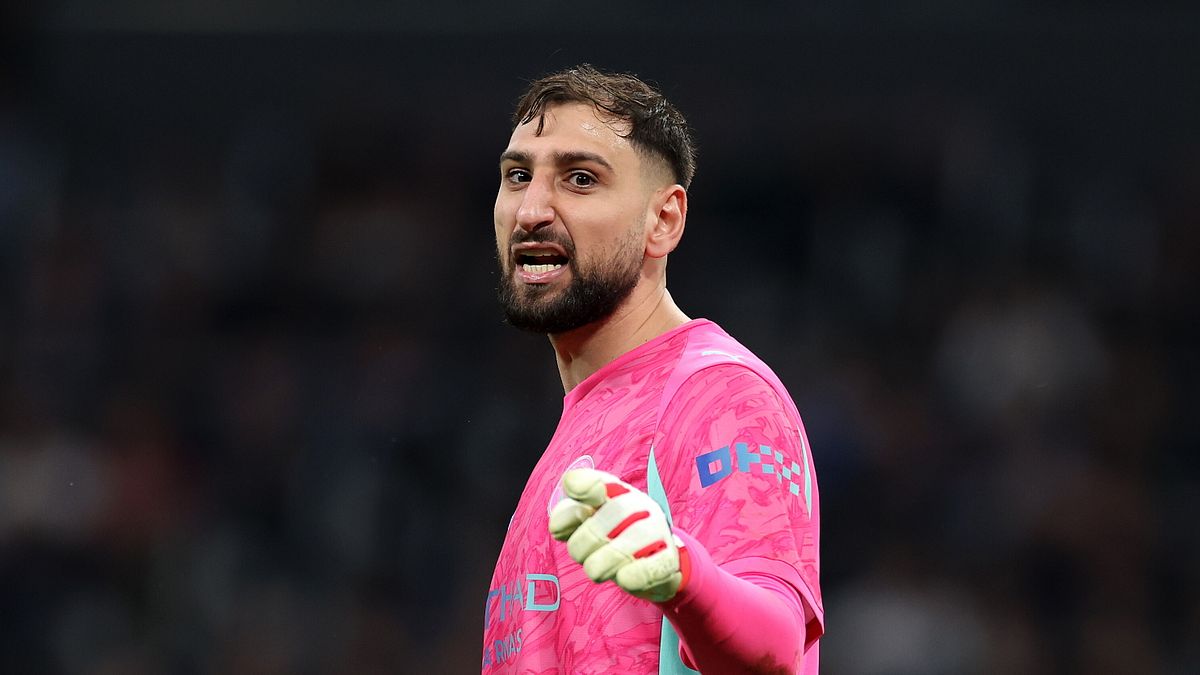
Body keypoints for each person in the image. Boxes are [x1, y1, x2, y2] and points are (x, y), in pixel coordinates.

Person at [483, 64, 823, 674]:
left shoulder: (714, 393)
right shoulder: (580, 429)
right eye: (517, 176)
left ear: (663, 220)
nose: (532, 208)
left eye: (580, 179)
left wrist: (681, 575)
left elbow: (777, 646)